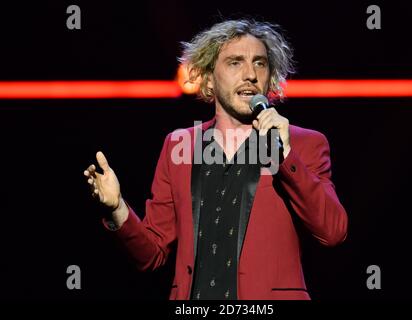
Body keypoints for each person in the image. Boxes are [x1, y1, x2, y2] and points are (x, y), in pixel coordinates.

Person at [83, 19, 348, 300]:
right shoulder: (179, 146)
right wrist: (117, 209)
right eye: (235, 62)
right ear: (209, 78)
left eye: (260, 63)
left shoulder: (305, 144)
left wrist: (285, 154)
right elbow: (152, 254)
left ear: (270, 77)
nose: (250, 74)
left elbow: (332, 232)